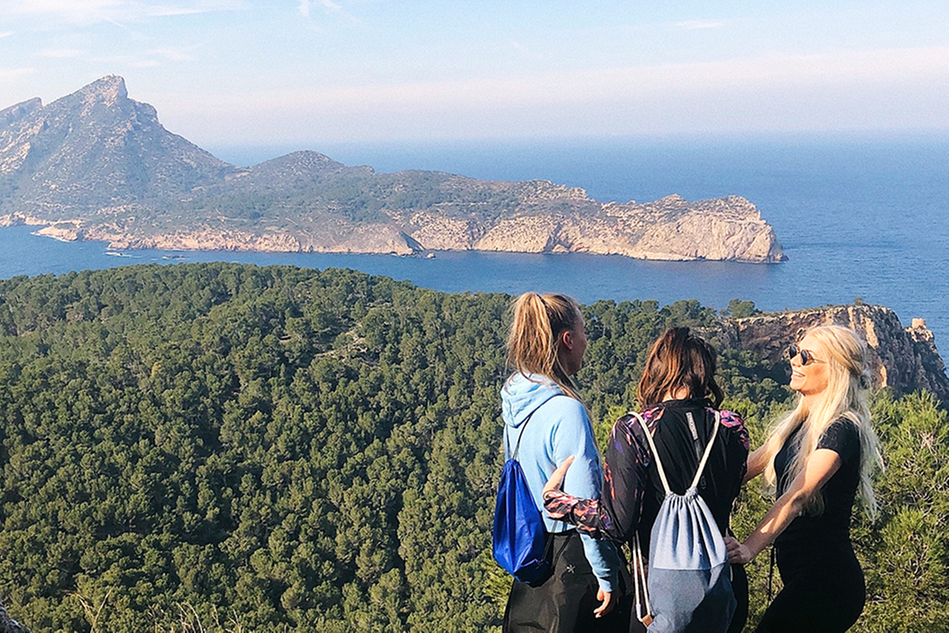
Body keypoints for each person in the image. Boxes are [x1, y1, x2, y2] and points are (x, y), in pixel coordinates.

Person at [543, 327, 750, 633]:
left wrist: (559, 502)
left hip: (662, 599)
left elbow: (617, 524)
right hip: (724, 590)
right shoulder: (732, 427)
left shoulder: (635, 430)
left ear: (657, 369)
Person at [724, 325, 883, 632]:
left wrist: (748, 549)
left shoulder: (842, 429)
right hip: (805, 577)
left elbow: (798, 496)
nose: (795, 361)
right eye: (794, 352)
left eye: (806, 356)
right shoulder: (798, 425)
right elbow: (740, 471)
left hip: (829, 582)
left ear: (834, 370)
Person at [500, 292, 627, 633]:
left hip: (534, 555)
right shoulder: (566, 411)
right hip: (571, 560)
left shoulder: (516, 397)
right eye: (584, 331)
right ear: (568, 340)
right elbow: (586, 509)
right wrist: (607, 576)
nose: (588, 340)